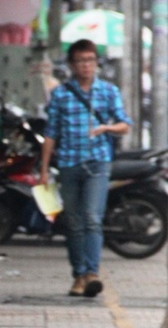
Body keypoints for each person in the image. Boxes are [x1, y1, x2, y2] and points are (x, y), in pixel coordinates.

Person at [39, 38, 131, 298]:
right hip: (69, 164)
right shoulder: (61, 94)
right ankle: (78, 275)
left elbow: (125, 124)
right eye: (80, 60)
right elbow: (50, 134)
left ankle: (91, 273)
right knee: (73, 222)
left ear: (96, 63)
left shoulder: (108, 92)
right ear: (71, 64)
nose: (86, 65)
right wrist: (44, 170)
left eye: (90, 60)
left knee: (92, 218)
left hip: (98, 163)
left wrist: (107, 128)